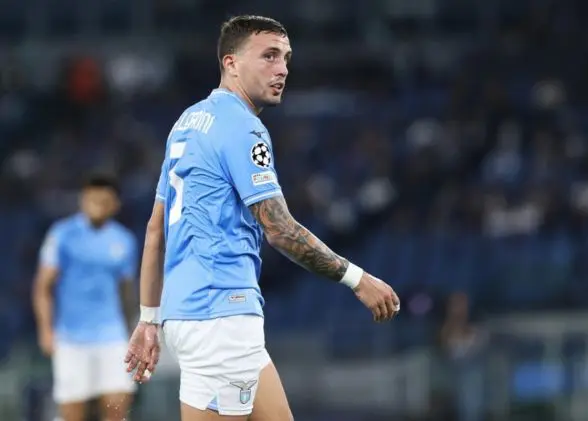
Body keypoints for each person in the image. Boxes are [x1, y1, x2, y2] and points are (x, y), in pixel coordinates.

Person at [124, 15, 401, 421]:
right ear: (231, 63)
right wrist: (357, 280)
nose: (283, 69)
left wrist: (149, 318)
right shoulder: (242, 127)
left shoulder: (186, 123)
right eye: (269, 56)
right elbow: (280, 230)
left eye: (286, 58)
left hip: (192, 313)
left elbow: (155, 230)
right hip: (222, 313)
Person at [32, 172, 138, 421]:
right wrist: (45, 330)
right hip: (71, 338)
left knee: (117, 410)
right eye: (92, 199)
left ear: (115, 205)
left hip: (111, 335)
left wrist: (131, 331)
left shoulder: (124, 241)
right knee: (73, 414)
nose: (97, 205)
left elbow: (126, 291)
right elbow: (43, 286)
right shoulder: (62, 235)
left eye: (104, 201)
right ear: (82, 200)